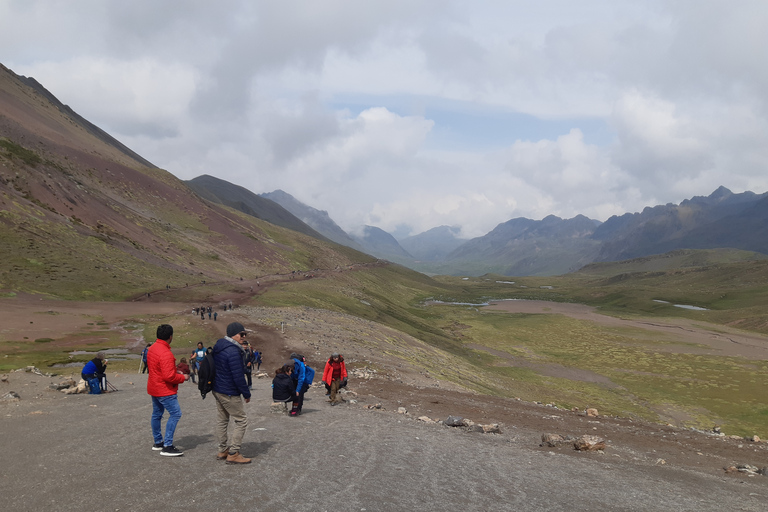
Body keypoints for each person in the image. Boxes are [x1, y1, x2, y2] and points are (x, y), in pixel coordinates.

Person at [212, 322, 252, 464]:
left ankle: (223, 450)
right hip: (229, 391)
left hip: (218, 389)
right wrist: (246, 393)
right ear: (234, 335)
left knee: (222, 420)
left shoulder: (220, 346)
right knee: (241, 420)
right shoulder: (233, 351)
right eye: (241, 334)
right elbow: (238, 376)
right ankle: (234, 453)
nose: (244, 337)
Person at [147, 324, 188, 457]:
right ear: (170, 337)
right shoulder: (166, 353)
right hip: (164, 389)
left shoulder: (152, 348)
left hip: (154, 386)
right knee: (175, 413)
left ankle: (158, 442)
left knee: (157, 413)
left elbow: (161, 370)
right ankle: (167, 445)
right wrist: (183, 377)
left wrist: (175, 371)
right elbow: (169, 376)